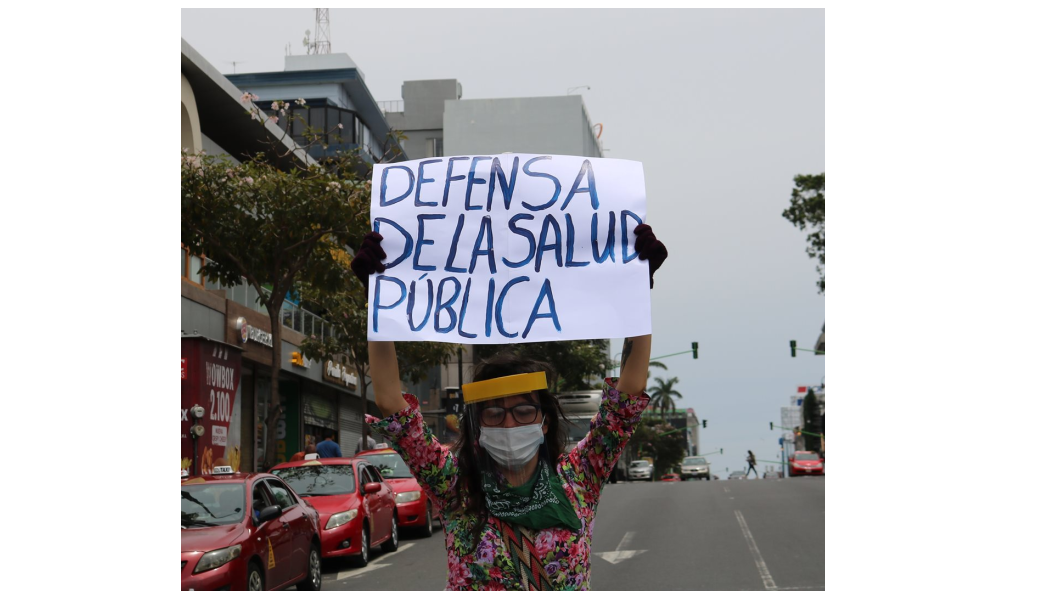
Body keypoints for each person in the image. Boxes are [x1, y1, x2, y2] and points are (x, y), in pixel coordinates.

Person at [355, 224, 667, 590]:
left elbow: (626, 398)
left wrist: (637, 290)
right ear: (478, 425)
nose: (509, 423)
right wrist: (378, 296)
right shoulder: (455, 486)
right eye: (494, 413)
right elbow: (391, 401)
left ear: (545, 422)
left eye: (523, 412)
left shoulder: (579, 478)